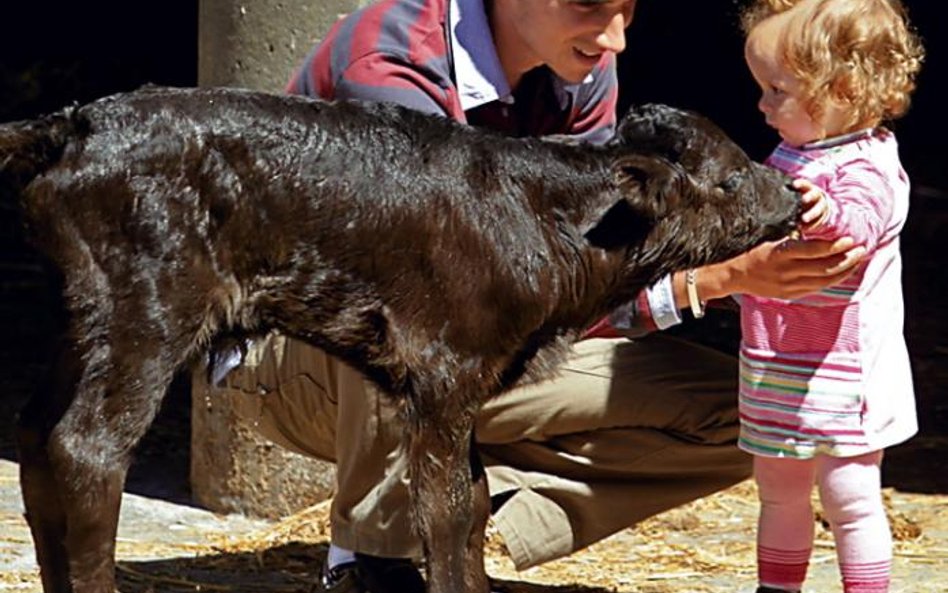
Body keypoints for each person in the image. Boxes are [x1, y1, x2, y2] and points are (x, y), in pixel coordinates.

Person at [208, 1, 866, 592]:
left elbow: (586, 275)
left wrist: (731, 275)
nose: (615, 38)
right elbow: (432, 288)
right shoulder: (392, 65)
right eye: (588, 6)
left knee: (755, 413)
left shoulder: (582, 68)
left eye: (626, 9)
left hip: (496, 342)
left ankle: (470, 515)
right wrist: (717, 279)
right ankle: (370, 557)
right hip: (301, 361)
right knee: (411, 316)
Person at [735, 1, 924, 592]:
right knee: (778, 491)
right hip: (775, 365)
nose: (762, 105)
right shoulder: (793, 152)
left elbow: (862, 223)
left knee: (851, 497)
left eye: (776, 89)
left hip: (844, 379)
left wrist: (824, 213)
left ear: (841, 87)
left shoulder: (870, 164)